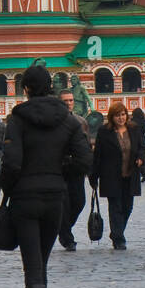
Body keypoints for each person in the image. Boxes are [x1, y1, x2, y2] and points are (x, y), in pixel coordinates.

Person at [0, 61, 91, 288]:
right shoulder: (67, 120)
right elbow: (85, 160)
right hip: (55, 198)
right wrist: (61, 173)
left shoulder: (17, 119)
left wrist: (8, 189)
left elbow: (12, 163)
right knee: (42, 261)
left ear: (25, 89)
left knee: (32, 266)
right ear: (50, 87)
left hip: (26, 199)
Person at [90, 102, 145, 250]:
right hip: (111, 175)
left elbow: (141, 147)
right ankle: (119, 238)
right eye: (117, 115)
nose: (121, 118)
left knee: (128, 207)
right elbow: (98, 155)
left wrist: (140, 158)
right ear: (111, 117)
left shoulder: (134, 129)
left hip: (130, 174)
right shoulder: (104, 132)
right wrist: (93, 176)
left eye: (123, 114)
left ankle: (117, 232)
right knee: (115, 207)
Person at [57, 88, 91, 251]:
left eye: (71, 100)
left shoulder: (80, 121)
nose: (69, 103)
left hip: (76, 168)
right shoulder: (55, 122)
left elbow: (86, 146)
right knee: (64, 203)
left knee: (79, 202)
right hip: (60, 168)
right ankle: (66, 237)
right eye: (65, 101)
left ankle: (63, 229)